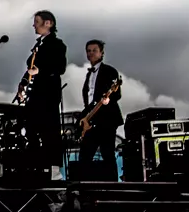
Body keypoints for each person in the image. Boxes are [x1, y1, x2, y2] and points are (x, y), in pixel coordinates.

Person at [16, 10, 69, 173]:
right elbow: (31, 68)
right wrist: (23, 83)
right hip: (34, 95)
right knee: (31, 130)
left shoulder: (57, 44)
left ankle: (52, 170)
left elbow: (60, 67)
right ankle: (35, 167)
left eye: (37, 22)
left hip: (47, 96)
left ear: (48, 23)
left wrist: (40, 71)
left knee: (49, 132)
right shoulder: (38, 45)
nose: (34, 25)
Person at [75, 39, 125, 181]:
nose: (91, 53)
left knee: (107, 154)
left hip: (107, 120)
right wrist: (83, 118)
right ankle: (84, 187)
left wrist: (108, 100)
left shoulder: (110, 71)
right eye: (88, 51)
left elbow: (117, 93)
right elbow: (89, 102)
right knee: (85, 155)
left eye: (94, 50)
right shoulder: (89, 75)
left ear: (102, 53)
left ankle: (113, 187)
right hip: (91, 121)